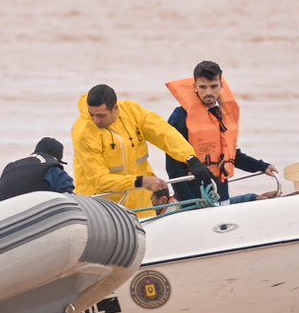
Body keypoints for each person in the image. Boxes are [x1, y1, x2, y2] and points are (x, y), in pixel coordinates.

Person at [72, 83, 217, 217]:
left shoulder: (133, 113)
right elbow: (100, 180)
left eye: (101, 115)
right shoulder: (84, 133)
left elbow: (164, 133)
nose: (96, 120)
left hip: (139, 202)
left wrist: (191, 158)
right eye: (92, 115)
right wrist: (140, 182)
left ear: (115, 108)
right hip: (101, 207)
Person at [164, 60, 276, 202]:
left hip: (221, 194)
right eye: (203, 87)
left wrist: (262, 167)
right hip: (193, 198)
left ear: (221, 85)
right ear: (195, 86)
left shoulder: (220, 115)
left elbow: (230, 155)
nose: (208, 92)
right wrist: (188, 201)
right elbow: (173, 167)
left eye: (213, 86)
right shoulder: (179, 118)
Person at [0, 137, 76, 208]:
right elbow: (66, 190)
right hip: (20, 218)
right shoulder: (50, 166)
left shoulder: (11, 166)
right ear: (56, 158)